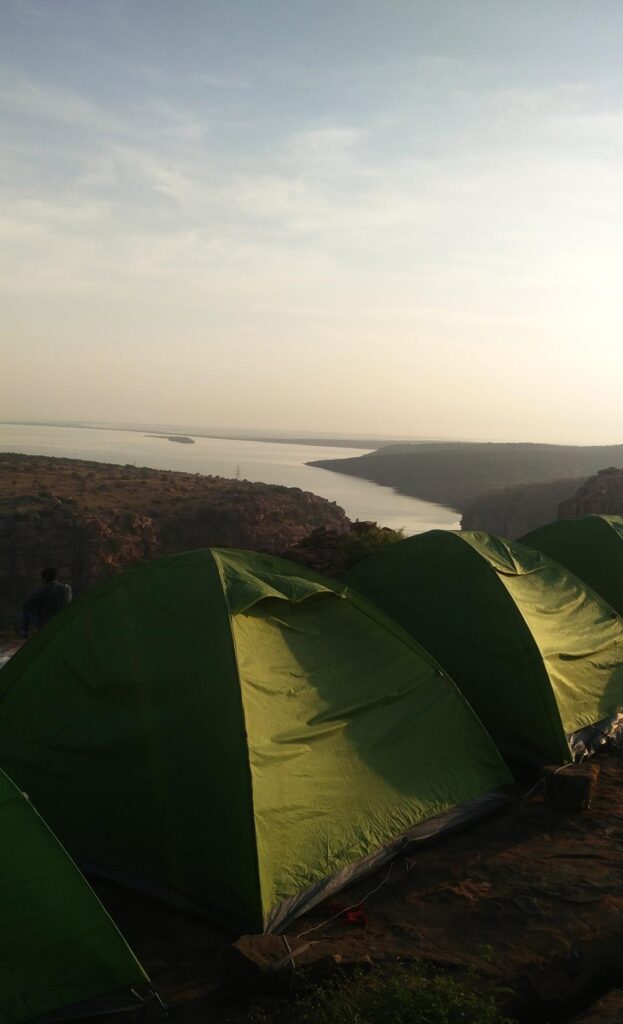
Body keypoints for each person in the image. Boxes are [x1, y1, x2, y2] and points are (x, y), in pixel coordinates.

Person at [22, 567, 72, 636]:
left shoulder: (41, 591)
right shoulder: (67, 589)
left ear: (44, 579)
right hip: (62, 622)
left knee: (26, 608)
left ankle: (24, 632)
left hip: (46, 624)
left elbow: (28, 604)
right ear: (56, 578)